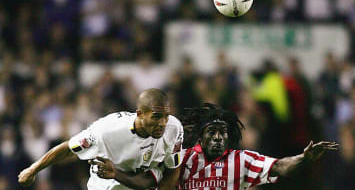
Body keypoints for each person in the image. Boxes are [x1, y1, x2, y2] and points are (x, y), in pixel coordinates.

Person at [18, 88, 184, 189]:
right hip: (106, 186)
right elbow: (69, 148)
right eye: (156, 117)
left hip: (138, 183)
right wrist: (33, 169)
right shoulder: (108, 130)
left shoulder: (173, 129)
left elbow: (173, 170)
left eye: (166, 116)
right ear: (139, 114)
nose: (162, 123)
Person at [158, 103, 338, 189]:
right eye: (212, 132)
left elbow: (279, 166)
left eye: (223, 132)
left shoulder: (241, 160)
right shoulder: (183, 158)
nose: (218, 137)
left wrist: (303, 158)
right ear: (200, 137)